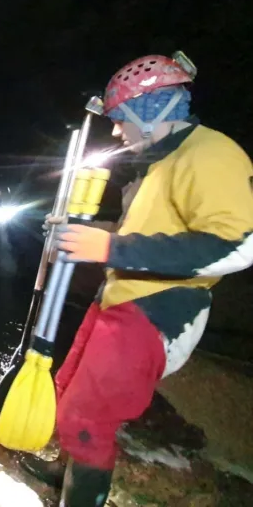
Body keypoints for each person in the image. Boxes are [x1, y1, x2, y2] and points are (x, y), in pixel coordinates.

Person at [20, 53, 253, 506]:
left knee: (90, 415)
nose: (115, 130)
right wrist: (91, 235)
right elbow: (142, 237)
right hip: (118, 298)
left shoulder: (212, 154)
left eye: (120, 118)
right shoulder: (159, 165)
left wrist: (109, 248)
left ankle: (80, 496)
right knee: (69, 392)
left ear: (153, 111)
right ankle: (66, 471)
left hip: (158, 309)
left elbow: (240, 245)